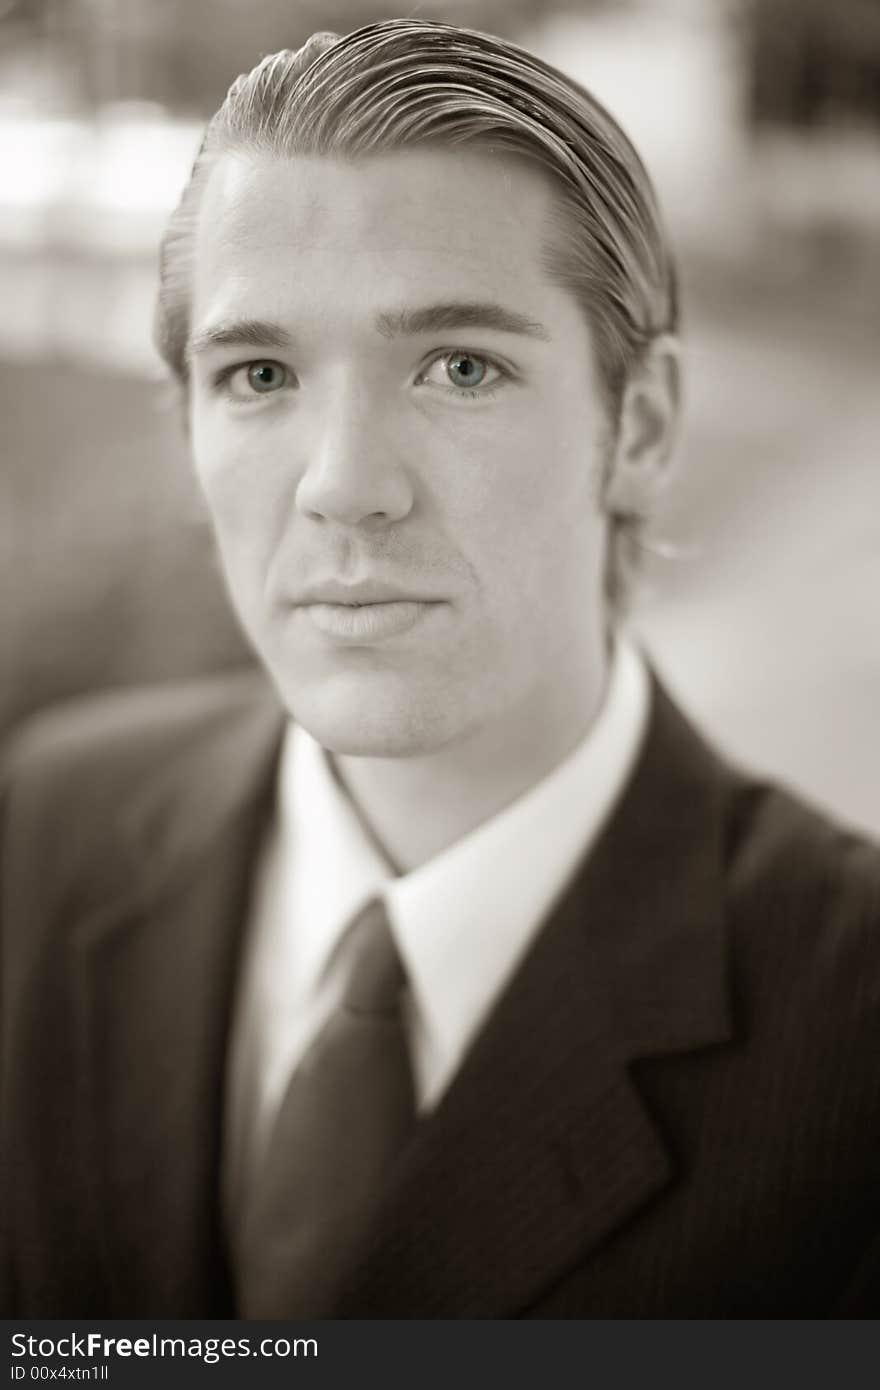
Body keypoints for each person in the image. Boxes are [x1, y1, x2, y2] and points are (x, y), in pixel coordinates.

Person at [2, 18, 879, 1320]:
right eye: (257, 372)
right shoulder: (45, 828)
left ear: (637, 426)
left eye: (459, 366)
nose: (346, 487)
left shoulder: (852, 1027)